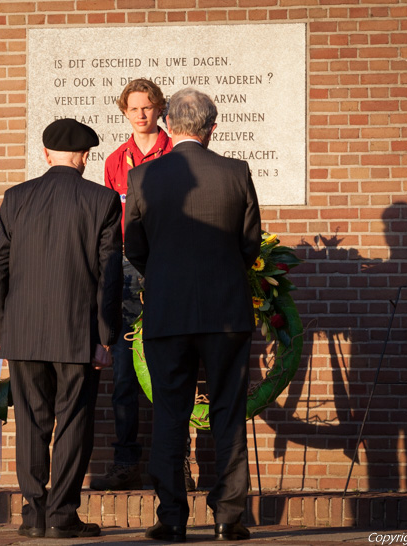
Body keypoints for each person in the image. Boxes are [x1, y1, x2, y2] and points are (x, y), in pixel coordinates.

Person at [124, 88, 261, 542]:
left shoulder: (143, 177)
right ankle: (228, 517)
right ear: (211, 129)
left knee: (169, 414)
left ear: (170, 125)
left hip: (167, 311)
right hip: (226, 311)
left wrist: (164, 277)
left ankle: (172, 518)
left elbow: (135, 247)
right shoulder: (236, 172)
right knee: (228, 411)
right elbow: (249, 244)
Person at [0, 118, 123, 539]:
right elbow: (110, 274)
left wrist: (5, 331)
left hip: (24, 333)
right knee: (74, 423)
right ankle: (62, 515)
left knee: (30, 422)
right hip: (77, 333)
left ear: (45, 155)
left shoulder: (16, 198)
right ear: (85, 157)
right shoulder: (102, 200)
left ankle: (33, 515)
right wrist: (105, 337)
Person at [93, 78, 198, 492]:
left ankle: (178, 463)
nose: (141, 114)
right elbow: (108, 221)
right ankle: (125, 462)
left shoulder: (177, 154)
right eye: (133, 108)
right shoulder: (116, 160)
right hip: (123, 270)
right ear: (124, 113)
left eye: (148, 107)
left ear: (160, 111)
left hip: (167, 265)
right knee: (123, 376)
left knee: (173, 368)